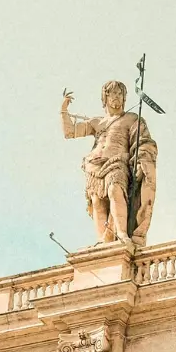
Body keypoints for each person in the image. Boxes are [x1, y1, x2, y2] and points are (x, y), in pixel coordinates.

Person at [60, 81, 157, 245]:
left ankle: (121, 233)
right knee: (97, 201)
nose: (116, 97)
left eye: (120, 94)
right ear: (105, 97)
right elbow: (70, 132)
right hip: (94, 164)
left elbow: (144, 142)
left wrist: (141, 159)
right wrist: (63, 111)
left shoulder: (132, 119)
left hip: (117, 162)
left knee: (115, 190)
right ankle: (102, 240)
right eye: (113, 93)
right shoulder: (97, 122)